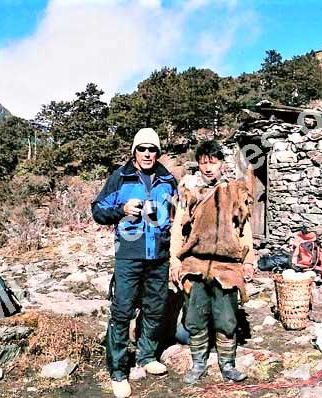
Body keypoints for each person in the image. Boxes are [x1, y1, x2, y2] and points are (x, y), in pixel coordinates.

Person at [91, 128, 177, 398]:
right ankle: (118, 371)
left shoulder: (168, 179)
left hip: (159, 256)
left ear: (158, 152)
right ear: (134, 152)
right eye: (143, 149)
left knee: (154, 307)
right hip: (129, 255)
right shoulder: (120, 177)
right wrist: (122, 210)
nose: (148, 154)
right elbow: (97, 211)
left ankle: (147, 356)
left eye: (153, 149)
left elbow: (179, 213)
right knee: (122, 311)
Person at [169, 139, 257, 384]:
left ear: (221, 164)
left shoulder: (234, 191)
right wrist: (175, 262)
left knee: (227, 318)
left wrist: (248, 260)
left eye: (213, 162)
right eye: (203, 163)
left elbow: (244, 228)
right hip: (195, 263)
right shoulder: (189, 191)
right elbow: (178, 228)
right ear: (198, 164)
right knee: (195, 318)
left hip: (226, 267)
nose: (208, 168)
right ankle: (198, 364)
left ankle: (227, 364)